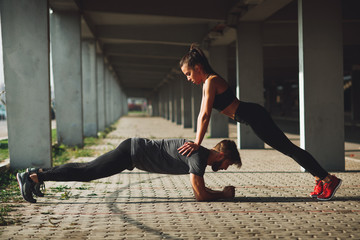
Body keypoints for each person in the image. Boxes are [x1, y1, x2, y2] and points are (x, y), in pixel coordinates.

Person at [177, 44, 342, 201]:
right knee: (288, 149)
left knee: (289, 149)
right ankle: (320, 179)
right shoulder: (206, 83)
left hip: (254, 116)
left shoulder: (211, 81)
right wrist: (196, 141)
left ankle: (328, 180)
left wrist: (197, 143)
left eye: (188, 74)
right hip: (252, 117)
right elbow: (201, 115)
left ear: (198, 68)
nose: (188, 78)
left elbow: (205, 114)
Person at [17, 138, 241, 203]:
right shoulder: (199, 157)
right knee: (86, 172)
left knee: (86, 170)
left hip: (131, 152)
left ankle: (36, 174)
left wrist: (220, 193)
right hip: (130, 152)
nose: (224, 168)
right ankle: (33, 177)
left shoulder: (199, 154)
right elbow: (200, 195)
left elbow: (200, 192)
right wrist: (223, 194)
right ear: (222, 155)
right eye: (227, 164)